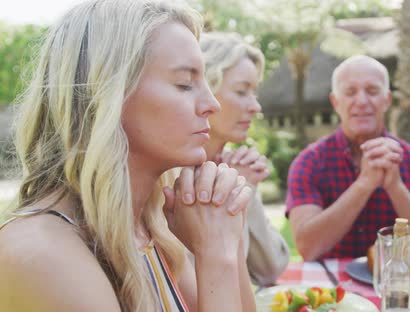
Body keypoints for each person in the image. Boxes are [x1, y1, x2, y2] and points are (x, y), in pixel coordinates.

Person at [0, 0, 256, 311]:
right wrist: (216, 255)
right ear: (106, 96)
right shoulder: (42, 254)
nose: (211, 104)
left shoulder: (149, 232)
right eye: (184, 84)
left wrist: (228, 231)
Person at [286, 55, 410, 261]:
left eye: (372, 91)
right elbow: (307, 248)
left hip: (398, 284)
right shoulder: (310, 161)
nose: (361, 101)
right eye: (350, 92)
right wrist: (363, 185)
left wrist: (395, 187)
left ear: (387, 100)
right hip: (331, 289)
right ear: (336, 102)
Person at [184, 32, 289, 286]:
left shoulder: (235, 165)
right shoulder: (175, 177)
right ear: (205, 89)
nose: (255, 107)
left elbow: (271, 269)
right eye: (242, 91)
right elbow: (217, 283)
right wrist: (232, 196)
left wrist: (246, 191)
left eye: (254, 92)